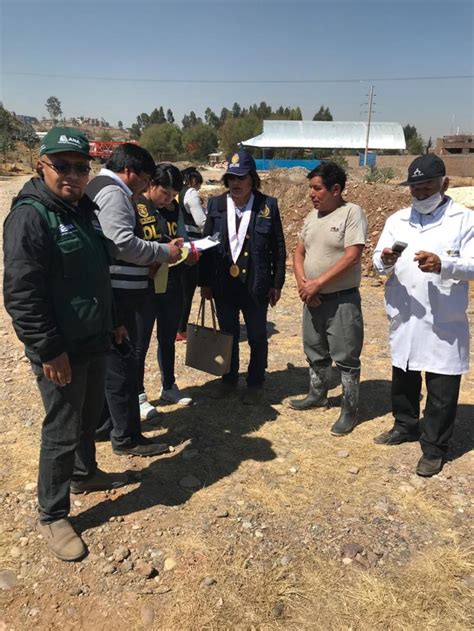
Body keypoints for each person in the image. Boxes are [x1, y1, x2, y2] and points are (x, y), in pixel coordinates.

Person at [3, 127, 127, 562]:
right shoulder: (31, 217)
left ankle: (83, 473)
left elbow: (96, 272)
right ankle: (53, 513)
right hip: (61, 349)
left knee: (90, 415)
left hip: (94, 338)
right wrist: (48, 349)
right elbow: (21, 294)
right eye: (62, 166)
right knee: (62, 427)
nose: (72, 175)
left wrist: (113, 323)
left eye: (80, 167)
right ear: (42, 165)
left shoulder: (82, 209)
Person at [372, 154, 473, 477]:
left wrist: (445, 264)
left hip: (444, 318)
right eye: (414, 186)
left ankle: (434, 447)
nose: (419, 191)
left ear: (444, 182)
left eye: (427, 184)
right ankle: (405, 425)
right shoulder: (397, 220)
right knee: (404, 374)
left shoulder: (463, 220)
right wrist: (385, 259)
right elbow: (377, 261)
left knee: (442, 385)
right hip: (406, 313)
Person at [86, 144, 183, 456]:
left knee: (112, 363)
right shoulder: (113, 192)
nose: (144, 187)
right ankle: (126, 436)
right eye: (144, 180)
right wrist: (163, 252)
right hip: (122, 292)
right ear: (129, 172)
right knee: (124, 364)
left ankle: (106, 425)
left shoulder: (98, 186)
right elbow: (122, 244)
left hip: (112, 288)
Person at [199, 150, 286, 404]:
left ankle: (255, 382)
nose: (235, 184)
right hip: (224, 284)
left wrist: (276, 282)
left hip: (255, 284)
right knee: (228, 336)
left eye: (241, 178)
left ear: (252, 179)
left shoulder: (267, 206)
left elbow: (278, 247)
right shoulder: (216, 205)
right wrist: (204, 282)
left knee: (258, 336)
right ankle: (228, 379)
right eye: (231, 178)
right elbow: (206, 245)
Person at [290, 162, 368, 437]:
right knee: (315, 350)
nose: (311, 194)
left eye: (317, 188)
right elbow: (298, 253)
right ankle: (318, 394)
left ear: (336, 189)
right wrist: (303, 285)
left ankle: (349, 409)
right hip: (311, 298)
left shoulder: (351, 213)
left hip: (341, 300)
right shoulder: (312, 217)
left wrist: (318, 284)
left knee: (346, 356)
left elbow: (352, 255)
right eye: (310, 188)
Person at [134, 163, 197, 421]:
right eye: (165, 193)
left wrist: (190, 252)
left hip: (172, 282)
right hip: (144, 285)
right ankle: (137, 395)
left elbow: (181, 238)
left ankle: (169, 385)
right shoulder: (136, 205)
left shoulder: (174, 209)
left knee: (167, 338)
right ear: (151, 185)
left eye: (173, 195)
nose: (169, 200)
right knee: (140, 342)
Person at [176, 167, 207, 340]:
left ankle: (174, 325)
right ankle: (181, 329)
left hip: (175, 245)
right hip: (191, 247)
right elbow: (201, 221)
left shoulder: (175, 193)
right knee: (187, 290)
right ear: (194, 181)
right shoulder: (191, 193)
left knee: (177, 289)